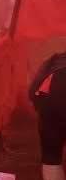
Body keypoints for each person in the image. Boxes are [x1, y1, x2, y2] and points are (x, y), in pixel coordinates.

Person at [30, 52, 66, 180]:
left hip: (50, 102)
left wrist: (42, 112)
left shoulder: (54, 60)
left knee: (51, 157)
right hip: (51, 98)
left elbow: (33, 91)